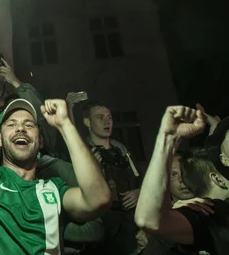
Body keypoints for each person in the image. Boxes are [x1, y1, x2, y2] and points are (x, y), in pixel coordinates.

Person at [0, 22, 111, 254]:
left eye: (28, 125)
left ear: (40, 140)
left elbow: (99, 200)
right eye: (11, 124)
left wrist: (66, 126)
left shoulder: (54, 190)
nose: (21, 129)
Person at [136, 106, 229, 254]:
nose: (180, 180)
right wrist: (168, 139)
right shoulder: (213, 215)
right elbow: (149, 220)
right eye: (172, 175)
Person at [81, 101, 142, 254]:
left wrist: (139, 192)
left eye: (109, 117)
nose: (107, 121)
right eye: (100, 117)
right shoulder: (82, 155)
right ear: (87, 122)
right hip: (105, 237)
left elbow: (144, 182)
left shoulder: (123, 152)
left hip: (134, 230)